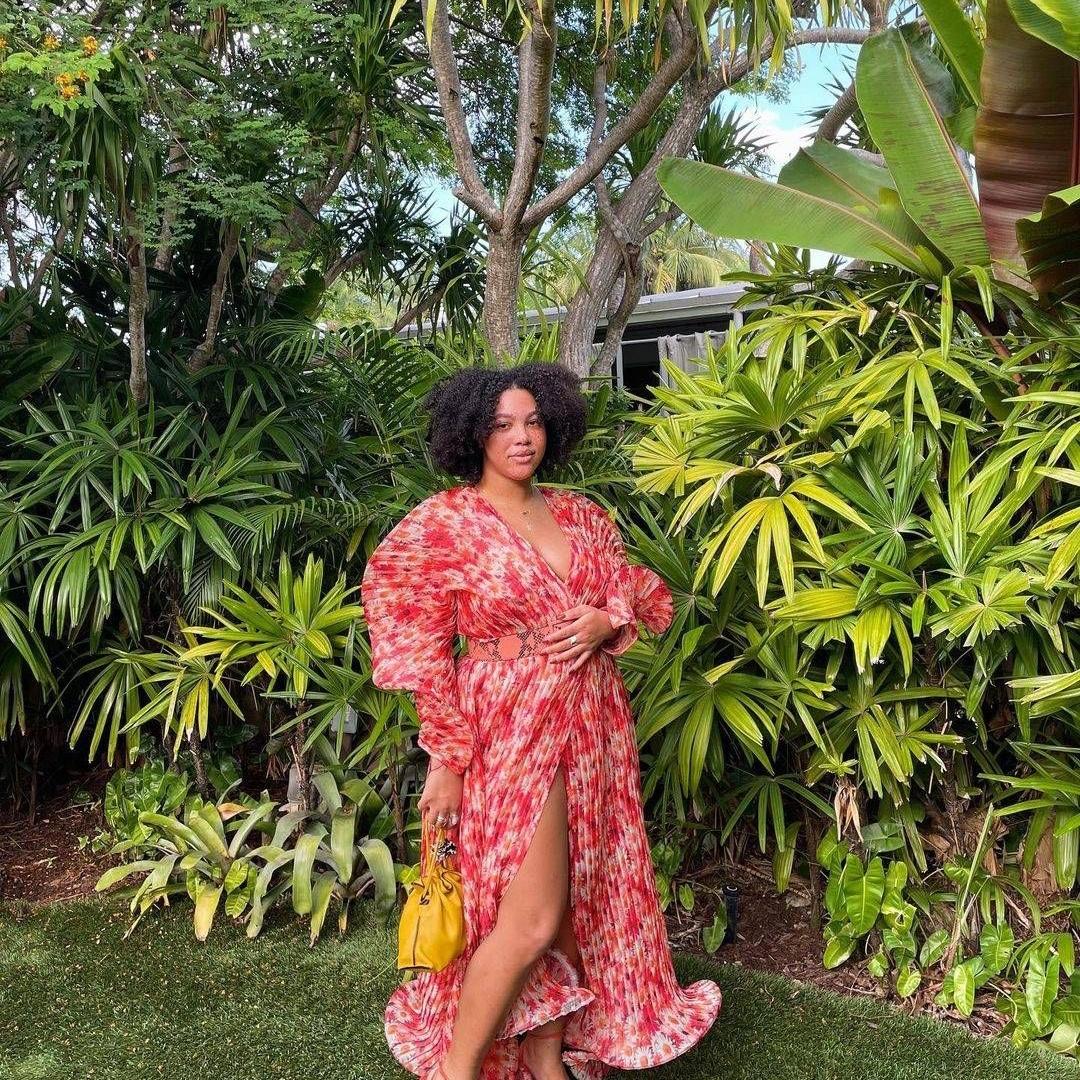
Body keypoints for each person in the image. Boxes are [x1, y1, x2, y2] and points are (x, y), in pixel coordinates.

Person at [360, 361, 721, 1080]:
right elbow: (417, 643)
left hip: (592, 719)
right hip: (510, 722)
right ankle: (458, 1071)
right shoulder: (447, 523)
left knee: (576, 902)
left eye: (532, 422)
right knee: (527, 918)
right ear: (473, 435)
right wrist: (446, 758)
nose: (521, 437)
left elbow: (643, 596)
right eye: (502, 425)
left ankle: (543, 1054)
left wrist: (605, 620)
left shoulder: (581, 514)